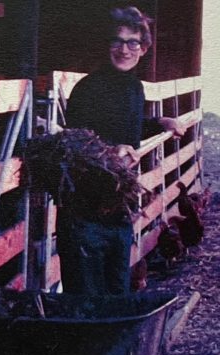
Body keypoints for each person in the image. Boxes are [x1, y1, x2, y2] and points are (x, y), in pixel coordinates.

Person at [57, 6, 186, 296]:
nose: (124, 49)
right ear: (107, 45)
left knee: (117, 295)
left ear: (143, 48)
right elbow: (72, 144)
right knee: (87, 302)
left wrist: (159, 122)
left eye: (133, 42)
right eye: (117, 41)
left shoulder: (134, 89)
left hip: (119, 212)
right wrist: (110, 151)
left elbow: (127, 125)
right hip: (84, 217)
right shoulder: (88, 89)